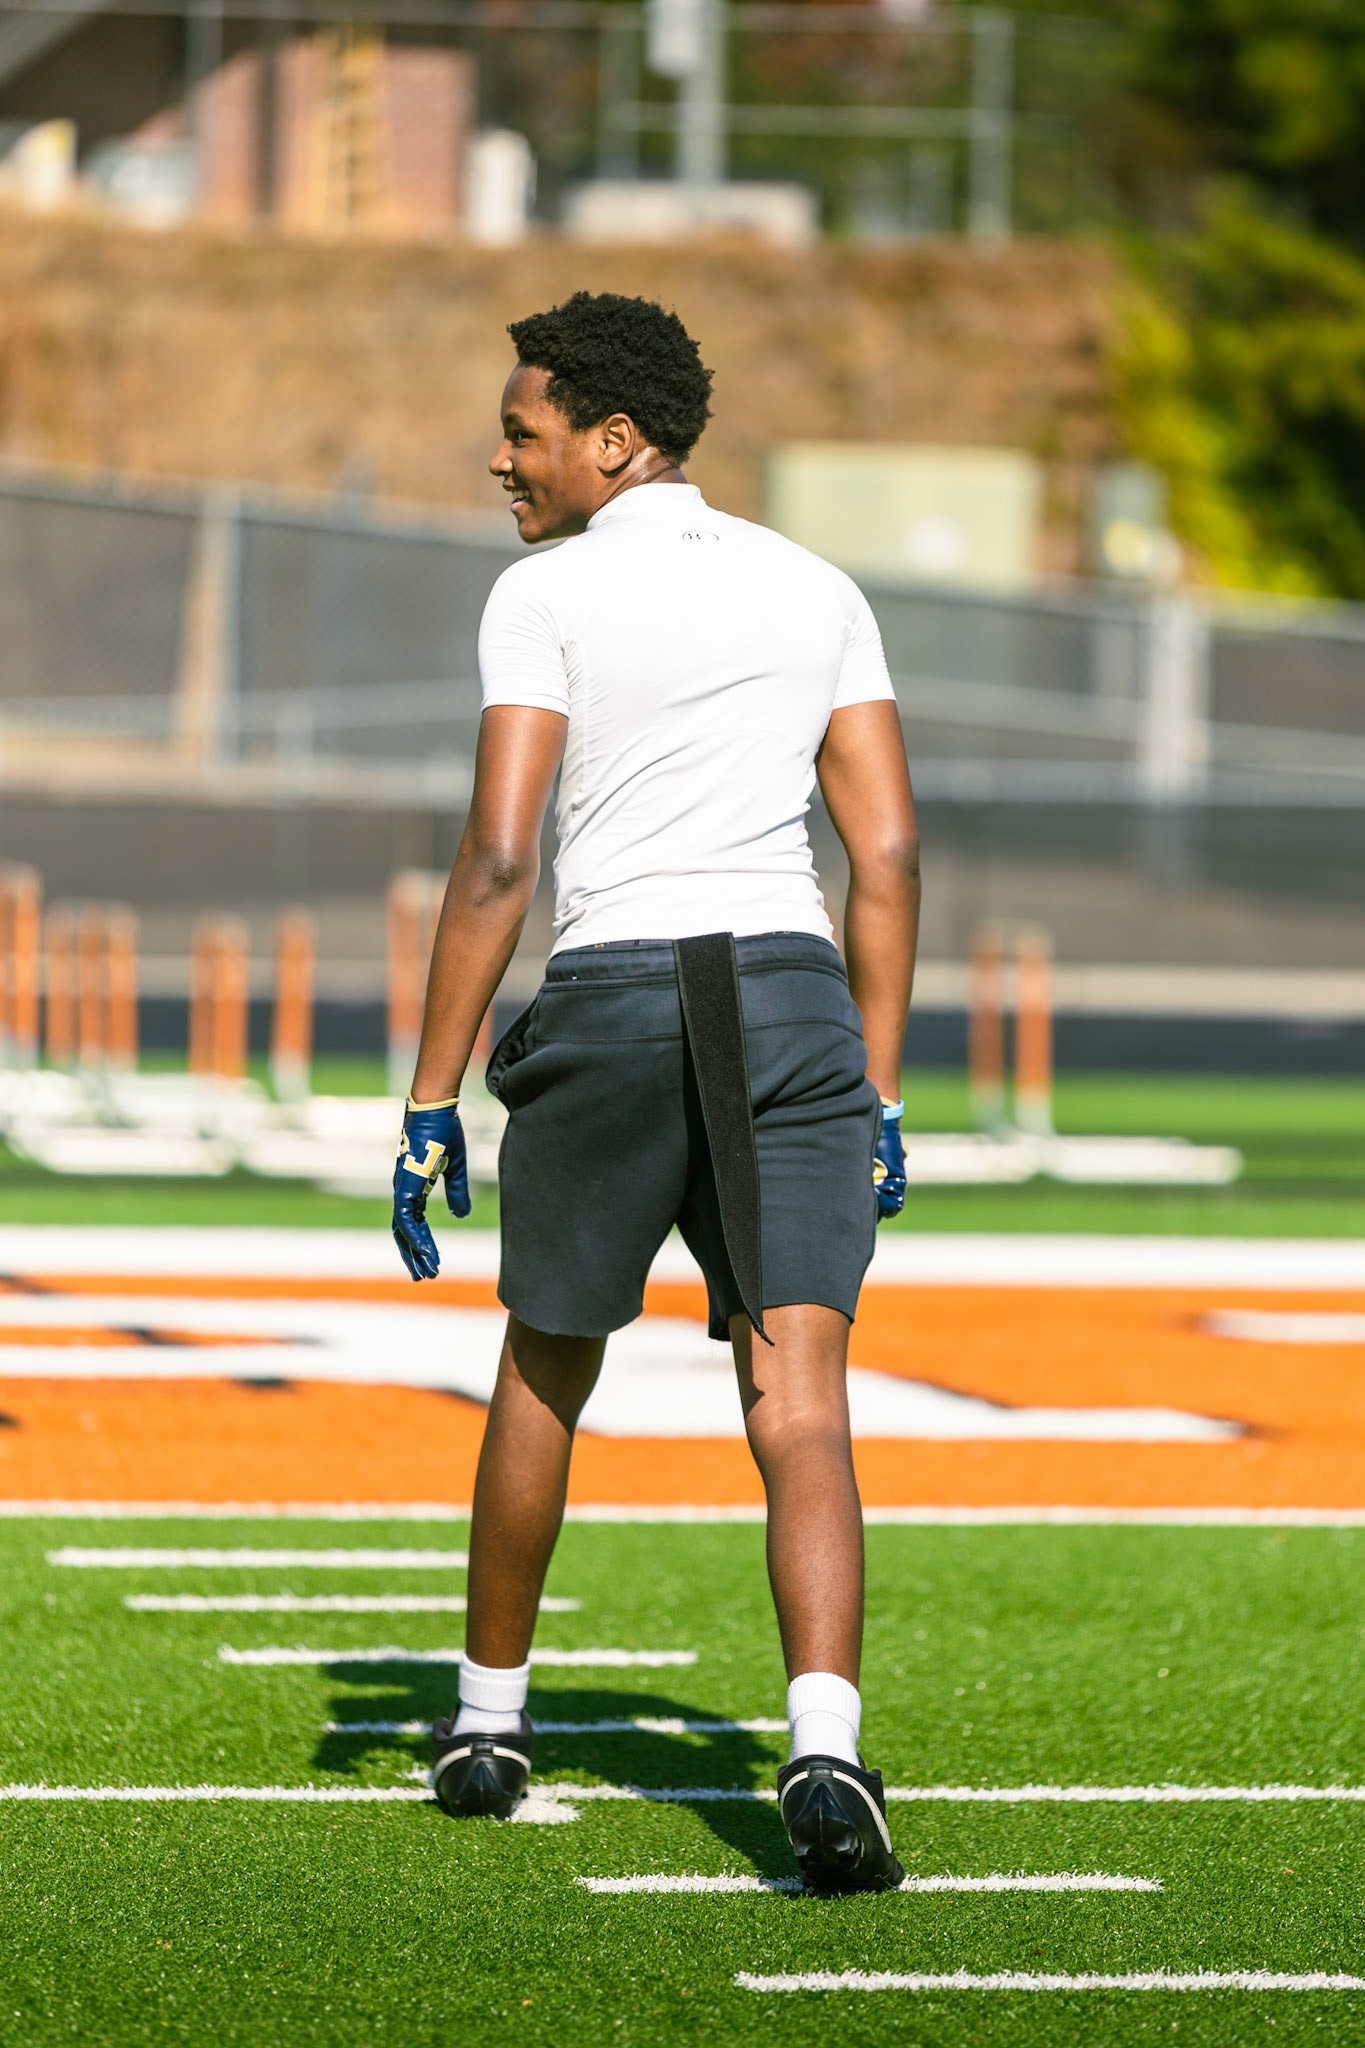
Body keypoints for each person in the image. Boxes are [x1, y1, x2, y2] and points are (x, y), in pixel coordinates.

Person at [391, 290, 920, 1893]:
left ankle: (488, 1725)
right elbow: (887, 853)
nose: (501, 457)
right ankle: (823, 1747)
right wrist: (879, 1089)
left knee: (546, 1367)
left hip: (619, 991)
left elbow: (500, 856)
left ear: (614, 441)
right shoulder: (815, 584)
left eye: (525, 431)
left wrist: (428, 1096)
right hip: (790, 1001)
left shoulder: (541, 593)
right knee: (799, 1396)